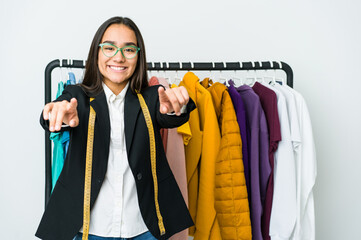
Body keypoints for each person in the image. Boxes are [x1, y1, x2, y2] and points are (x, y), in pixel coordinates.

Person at [36, 16, 195, 240]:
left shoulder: (151, 97)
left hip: (143, 228)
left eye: (129, 49)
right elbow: (56, 113)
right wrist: (58, 114)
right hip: (89, 230)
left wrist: (174, 107)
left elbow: (172, 117)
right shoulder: (77, 97)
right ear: (97, 53)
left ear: (138, 56)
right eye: (109, 48)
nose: (118, 57)